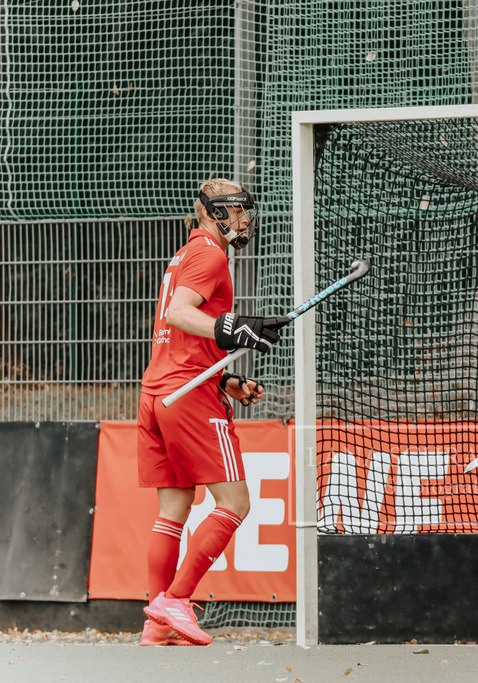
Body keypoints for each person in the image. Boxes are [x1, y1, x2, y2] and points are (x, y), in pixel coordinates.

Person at [136, 178, 289, 646]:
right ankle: (175, 601)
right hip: (187, 396)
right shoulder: (210, 253)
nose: (245, 219)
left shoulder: (184, 253)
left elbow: (179, 336)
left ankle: (156, 625)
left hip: (159, 389)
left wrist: (224, 378)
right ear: (210, 214)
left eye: (246, 210)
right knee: (236, 502)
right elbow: (180, 314)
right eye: (235, 211)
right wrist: (237, 330)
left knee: (174, 509)